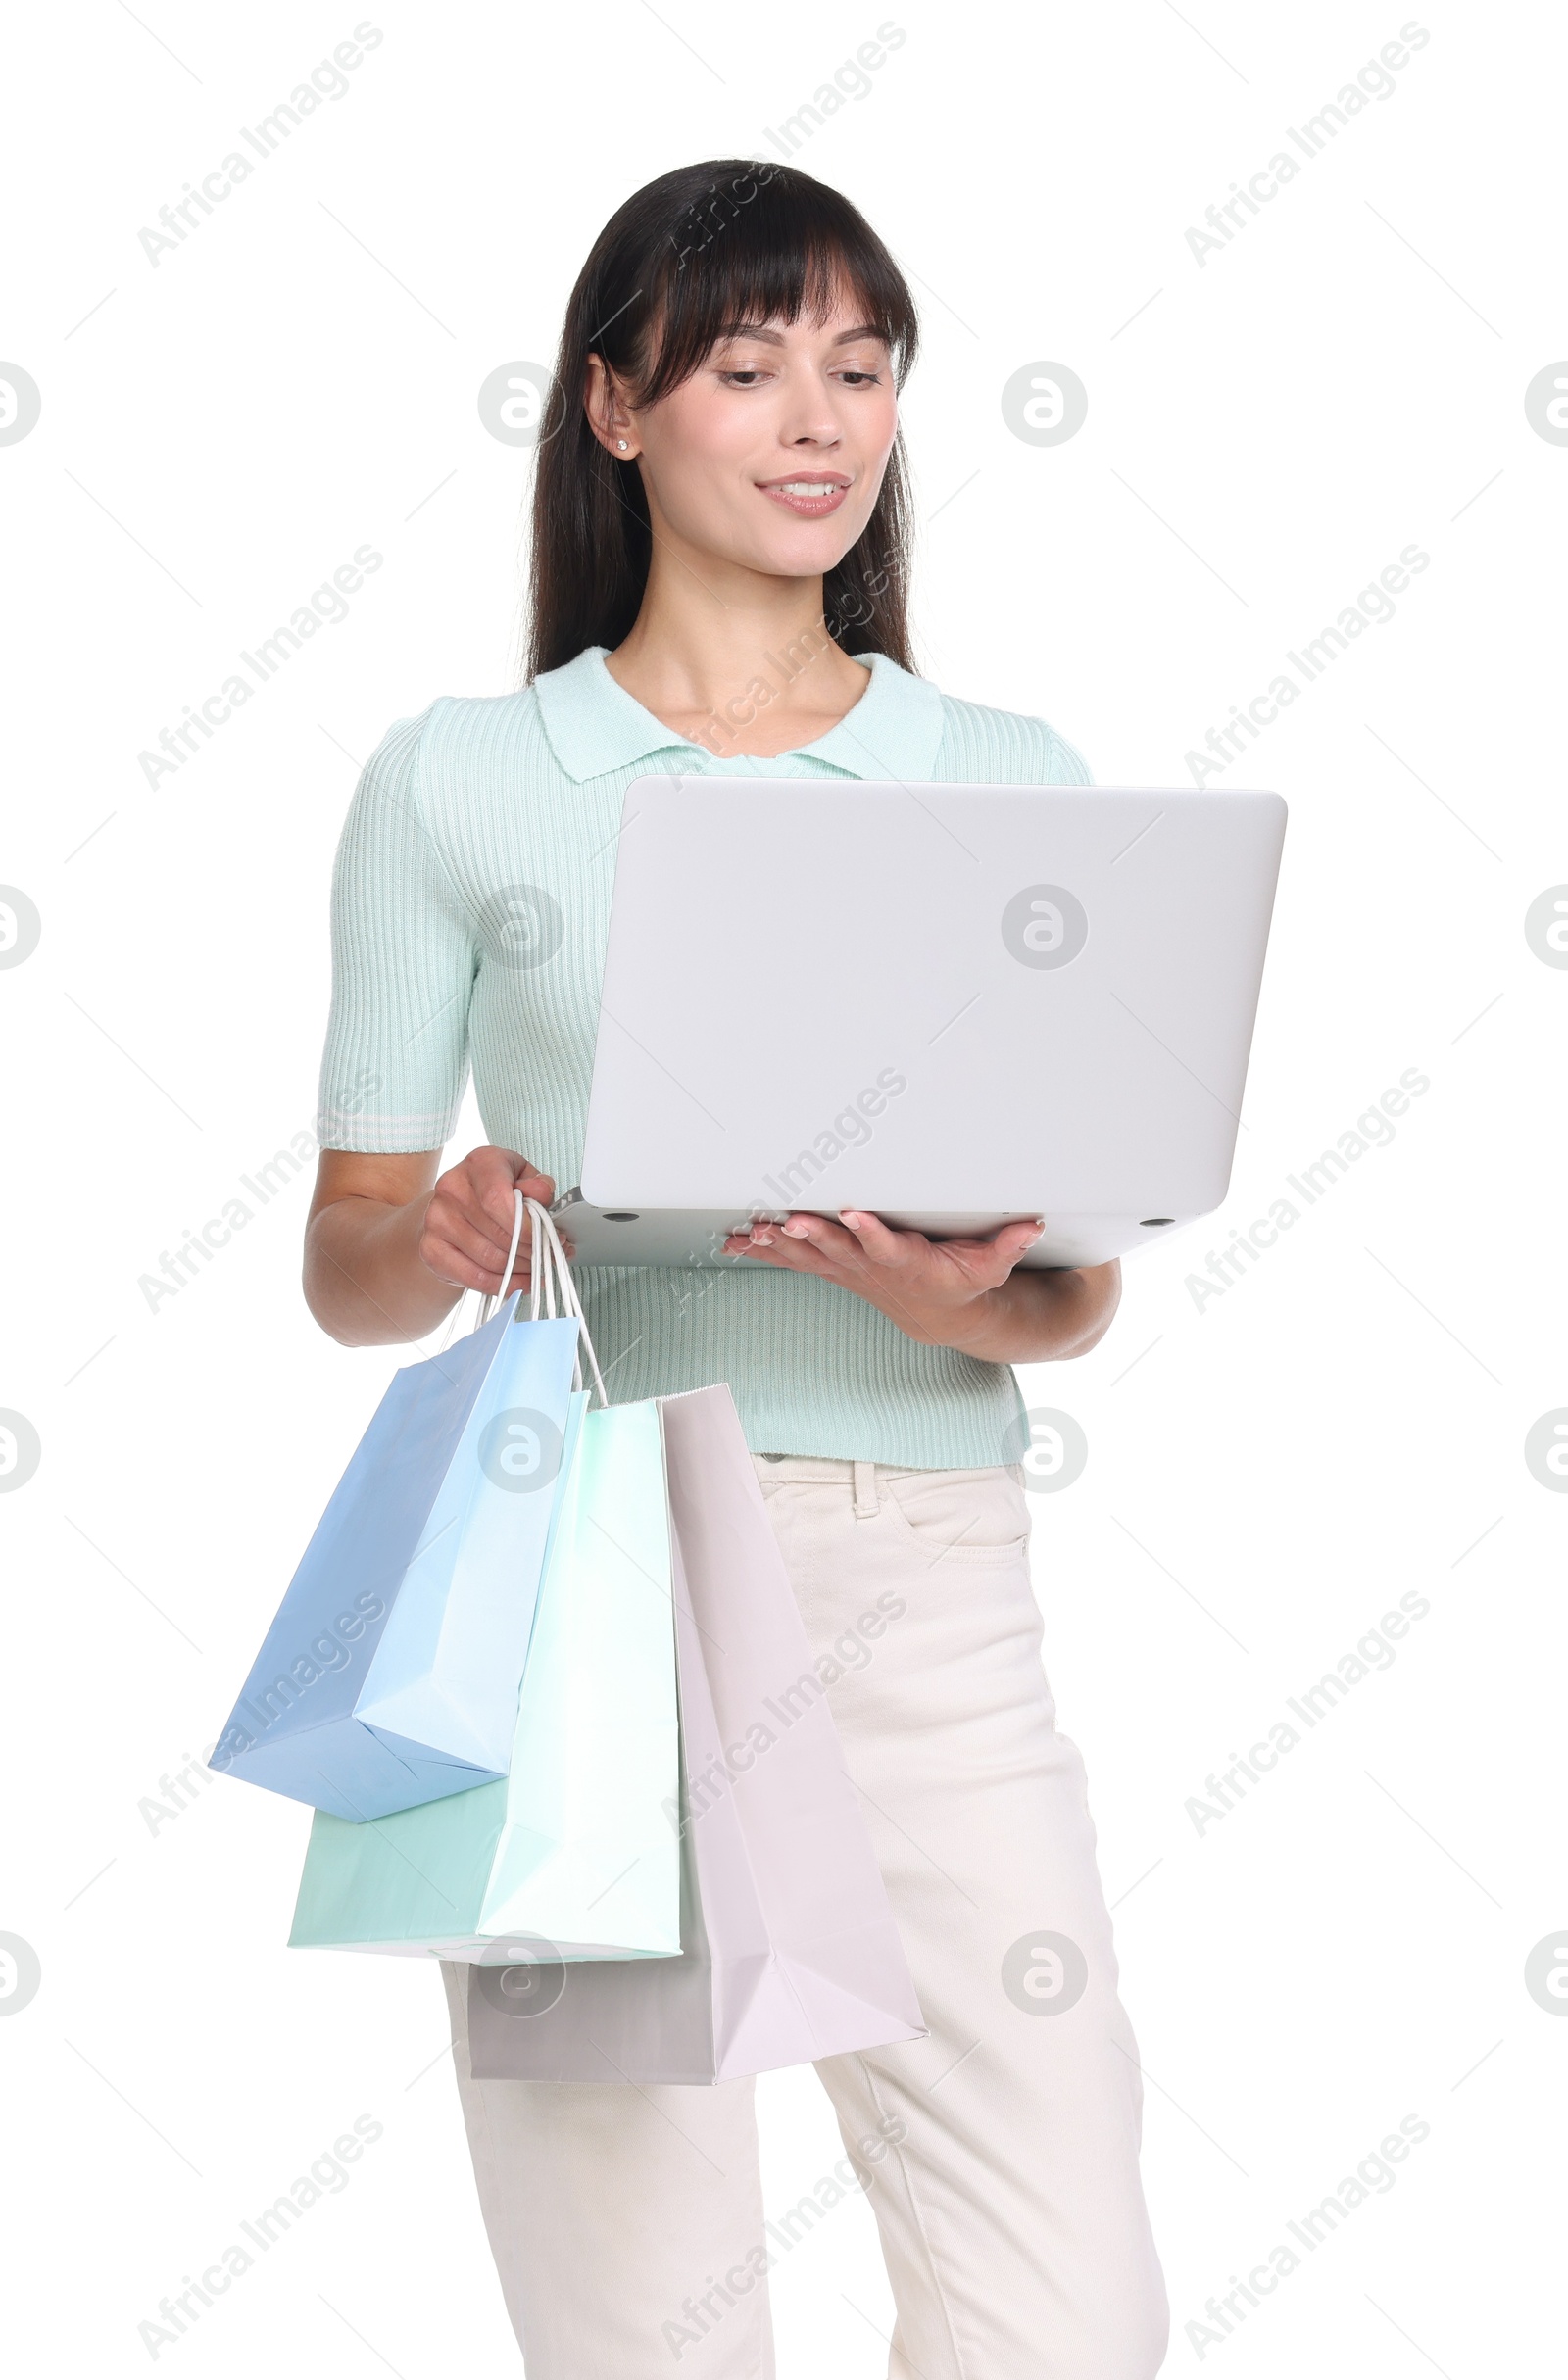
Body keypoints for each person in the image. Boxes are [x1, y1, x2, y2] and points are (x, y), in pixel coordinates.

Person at [304, 157, 1168, 2380]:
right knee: (639, 2328)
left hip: (923, 1568)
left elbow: (1068, 1284)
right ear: (611, 407)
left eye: (861, 368)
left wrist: (953, 1298)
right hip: (587, 1568)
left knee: (1061, 2313)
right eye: (749, 363)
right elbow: (346, 1257)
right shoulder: (468, 784)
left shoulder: (1002, 775)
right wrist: (451, 1226)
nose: (819, 420)